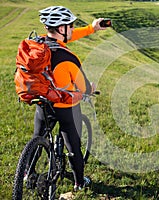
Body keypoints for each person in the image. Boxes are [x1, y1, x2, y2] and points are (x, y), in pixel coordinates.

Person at [34, 6, 106, 191]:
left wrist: (92, 28)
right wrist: (91, 89)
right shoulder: (68, 58)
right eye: (71, 26)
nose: (73, 29)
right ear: (61, 28)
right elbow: (84, 87)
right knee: (73, 145)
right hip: (65, 107)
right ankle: (79, 183)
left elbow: (65, 38)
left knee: (38, 138)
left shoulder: (38, 44)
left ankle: (28, 173)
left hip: (43, 102)